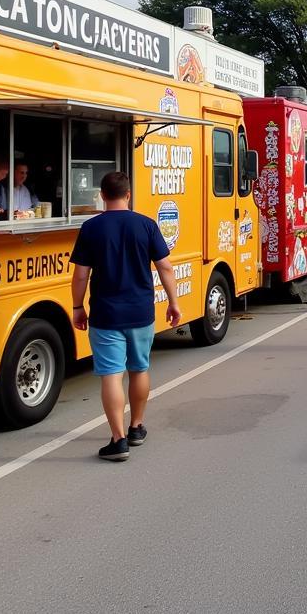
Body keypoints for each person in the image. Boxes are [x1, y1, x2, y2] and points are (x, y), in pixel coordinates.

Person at [69, 171, 182, 462]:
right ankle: (136, 427)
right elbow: (165, 268)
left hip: (106, 314)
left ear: (102, 196)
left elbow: (81, 274)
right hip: (141, 312)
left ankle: (118, 441)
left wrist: (78, 306)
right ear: (128, 195)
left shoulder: (91, 228)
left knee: (111, 375)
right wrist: (173, 302)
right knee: (139, 369)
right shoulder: (145, 225)